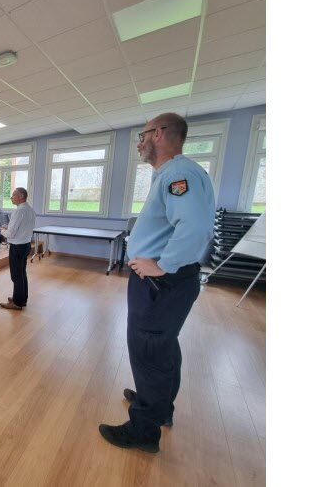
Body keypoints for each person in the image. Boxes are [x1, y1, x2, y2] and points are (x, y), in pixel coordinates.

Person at [98, 113, 215, 454]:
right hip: (165, 283)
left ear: (160, 134)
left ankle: (144, 430)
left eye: (143, 133)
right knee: (162, 348)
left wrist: (163, 266)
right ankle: (159, 406)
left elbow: (193, 228)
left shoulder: (178, 173)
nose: (139, 141)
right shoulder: (176, 173)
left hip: (160, 284)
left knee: (149, 351)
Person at [0, 187, 34, 311]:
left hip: (17, 246)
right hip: (25, 244)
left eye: (13, 195)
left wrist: (2, 230)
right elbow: (22, 227)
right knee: (22, 273)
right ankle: (21, 298)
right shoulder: (29, 209)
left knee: (16, 275)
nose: (11, 198)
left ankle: (17, 302)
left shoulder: (18, 211)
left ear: (21, 197)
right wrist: (8, 228)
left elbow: (10, 234)